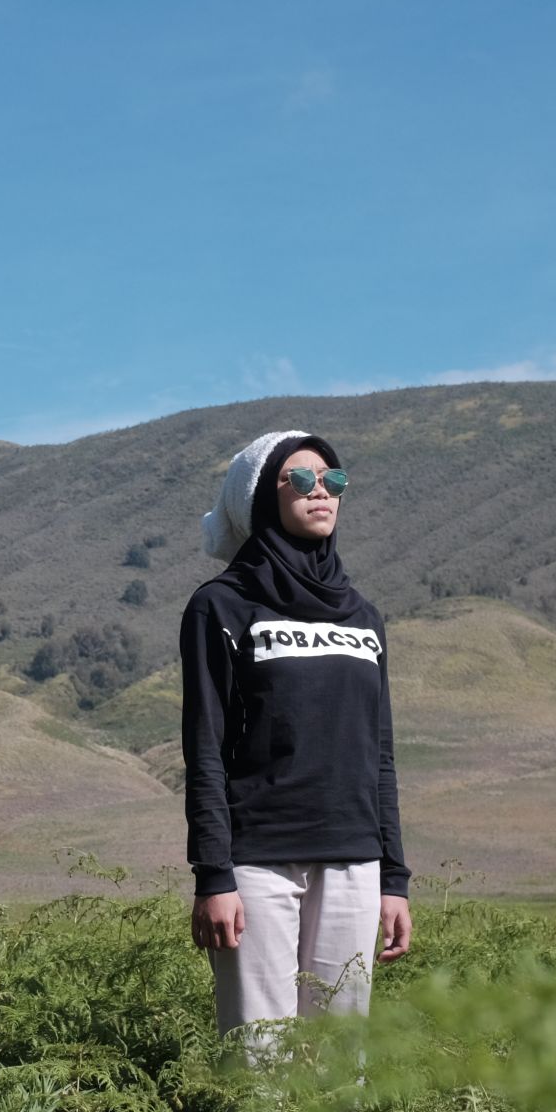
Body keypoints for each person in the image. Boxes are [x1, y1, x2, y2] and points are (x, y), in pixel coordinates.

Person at [180, 430, 411, 1047]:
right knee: (260, 1057)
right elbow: (204, 749)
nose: (322, 491)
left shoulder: (363, 617)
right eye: (301, 479)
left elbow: (379, 756)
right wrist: (213, 875)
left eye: (334, 480)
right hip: (257, 862)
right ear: (260, 497)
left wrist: (393, 879)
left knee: (337, 1062)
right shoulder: (222, 607)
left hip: (354, 860)